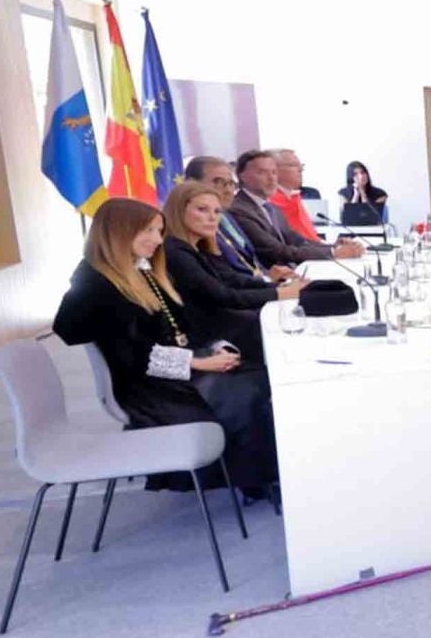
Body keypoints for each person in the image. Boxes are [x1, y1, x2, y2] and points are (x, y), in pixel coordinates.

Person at [52, 197, 280, 496]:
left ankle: (265, 471)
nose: (157, 240)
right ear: (119, 232)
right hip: (148, 386)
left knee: (261, 376)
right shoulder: (96, 283)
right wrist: (194, 363)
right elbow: (126, 352)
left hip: (173, 366)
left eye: (159, 231)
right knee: (244, 391)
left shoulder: (142, 270)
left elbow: (181, 327)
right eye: (147, 231)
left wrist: (212, 349)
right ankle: (251, 480)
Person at [162, 179, 303, 332]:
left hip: (222, 321)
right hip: (203, 333)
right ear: (178, 211)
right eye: (202, 209)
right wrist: (278, 293)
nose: (212, 218)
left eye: (217, 211)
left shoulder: (201, 247)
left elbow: (232, 279)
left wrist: (279, 286)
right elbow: (222, 296)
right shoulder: (175, 251)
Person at [226, 149, 362, 265]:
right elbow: (276, 251)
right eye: (262, 173)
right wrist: (333, 252)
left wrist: (333, 246)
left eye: (273, 172)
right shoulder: (239, 209)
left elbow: (297, 241)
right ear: (242, 177)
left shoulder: (271, 208)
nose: (272, 179)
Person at [183, 155, 297, 286]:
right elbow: (223, 280)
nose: (227, 190)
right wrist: (267, 281)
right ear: (191, 184)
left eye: (231, 183)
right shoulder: (197, 227)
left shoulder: (227, 216)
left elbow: (249, 262)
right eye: (218, 182)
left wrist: (270, 276)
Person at [269, 148, 325, 238]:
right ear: (274, 169)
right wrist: (331, 250)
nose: (300, 169)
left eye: (301, 165)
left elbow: (310, 237)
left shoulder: (293, 196)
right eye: (293, 165)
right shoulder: (271, 201)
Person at [338, 161, 388, 226]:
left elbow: (371, 217)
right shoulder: (343, 193)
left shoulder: (380, 194)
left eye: (363, 172)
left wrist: (362, 192)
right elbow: (348, 218)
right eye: (356, 174)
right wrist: (356, 194)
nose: (361, 177)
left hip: (373, 229)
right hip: (350, 229)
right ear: (351, 178)